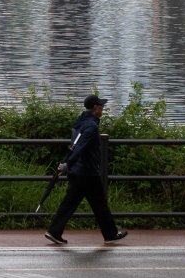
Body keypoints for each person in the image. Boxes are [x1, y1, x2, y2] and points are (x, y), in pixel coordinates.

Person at [44, 94, 128, 245]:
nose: (103, 109)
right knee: (95, 203)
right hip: (86, 172)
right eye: (101, 106)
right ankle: (110, 234)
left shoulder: (80, 122)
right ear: (95, 108)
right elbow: (80, 148)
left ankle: (109, 233)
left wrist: (68, 165)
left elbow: (74, 145)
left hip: (79, 171)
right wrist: (68, 165)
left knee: (85, 202)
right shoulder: (91, 126)